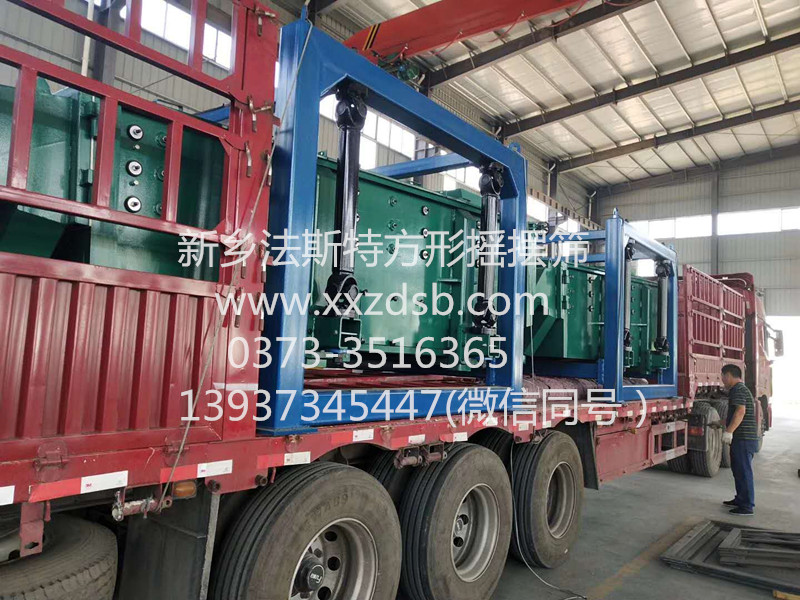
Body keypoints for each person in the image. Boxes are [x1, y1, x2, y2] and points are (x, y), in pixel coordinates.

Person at [720, 364, 759, 516]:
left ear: (728, 375)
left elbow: (740, 412)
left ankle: (747, 506)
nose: (722, 380)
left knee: (743, 471)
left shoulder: (738, 390)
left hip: (743, 439)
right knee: (738, 470)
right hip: (742, 439)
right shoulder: (740, 389)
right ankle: (741, 499)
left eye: (723, 376)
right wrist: (720, 423)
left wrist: (729, 432)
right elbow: (735, 415)